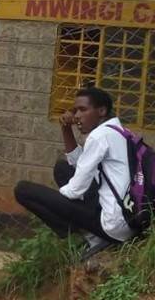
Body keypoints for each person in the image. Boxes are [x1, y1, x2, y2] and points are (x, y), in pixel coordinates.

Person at [12, 86, 135, 260]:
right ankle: (91, 231)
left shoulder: (99, 137)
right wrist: (66, 129)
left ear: (101, 111)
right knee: (62, 168)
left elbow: (76, 190)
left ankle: (92, 236)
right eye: (75, 110)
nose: (76, 115)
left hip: (114, 226)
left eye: (83, 110)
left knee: (23, 190)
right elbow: (79, 164)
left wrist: (56, 202)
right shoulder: (119, 131)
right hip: (127, 215)